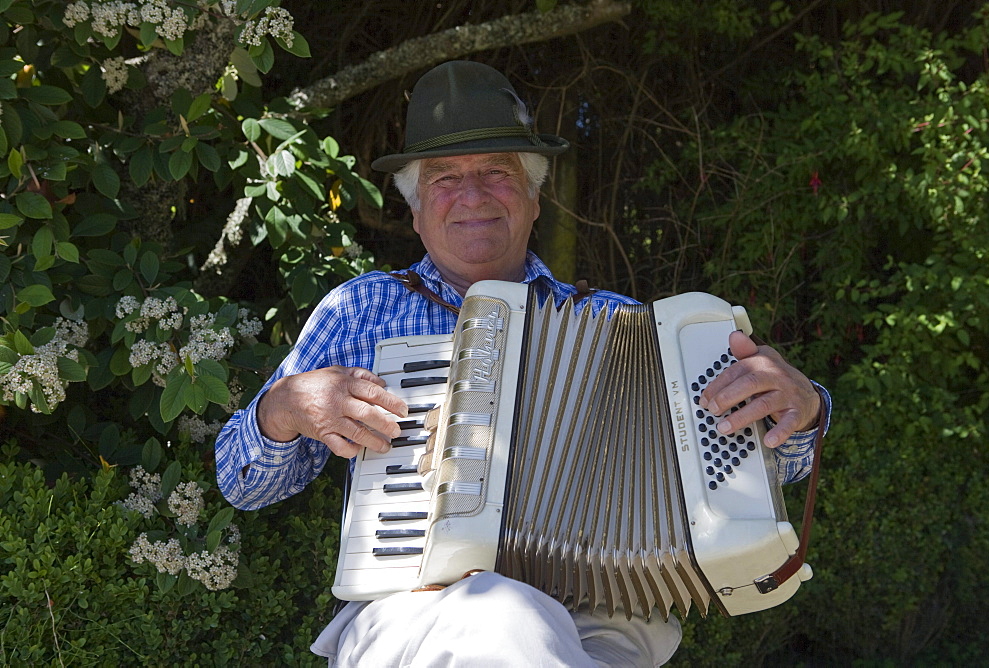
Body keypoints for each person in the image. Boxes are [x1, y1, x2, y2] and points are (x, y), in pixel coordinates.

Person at [216, 60, 831, 666]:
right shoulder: (363, 310)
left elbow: (764, 459)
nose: (474, 195)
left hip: (598, 613)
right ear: (415, 209)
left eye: (496, 172)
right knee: (500, 613)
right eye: (444, 177)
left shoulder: (624, 330)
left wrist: (798, 411)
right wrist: (284, 408)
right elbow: (242, 483)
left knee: (521, 623)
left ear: (536, 198)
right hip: (410, 613)